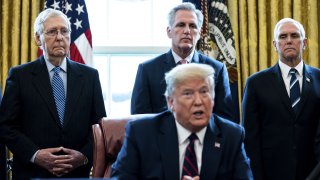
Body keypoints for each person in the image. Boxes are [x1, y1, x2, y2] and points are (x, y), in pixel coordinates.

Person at [0, 8, 106, 179]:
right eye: (51, 32)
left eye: (64, 31)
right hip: (32, 173)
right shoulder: (20, 76)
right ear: (37, 38)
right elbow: (6, 127)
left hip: (77, 174)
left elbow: (100, 126)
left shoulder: (89, 76)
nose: (59, 37)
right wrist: (36, 155)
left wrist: (84, 156)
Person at [111, 63, 253, 180]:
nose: (198, 101)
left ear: (213, 98)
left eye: (204, 92)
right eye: (188, 93)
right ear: (171, 102)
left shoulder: (231, 136)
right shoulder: (141, 134)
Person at [130, 2, 236, 123]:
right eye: (181, 25)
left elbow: (225, 121)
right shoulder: (147, 70)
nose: (187, 31)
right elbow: (139, 121)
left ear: (200, 33)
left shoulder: (217, 69)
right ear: (169, 31)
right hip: (161, 140)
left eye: (192, 26)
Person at [242, 18, 320, 180]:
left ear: (304, 42)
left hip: (313, 171)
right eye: (283, 37)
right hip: (272, 173)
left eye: (294, 35)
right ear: (275, 44)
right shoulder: (256, 83)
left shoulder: (319, 78)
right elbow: (251, 139)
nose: (289, 40)